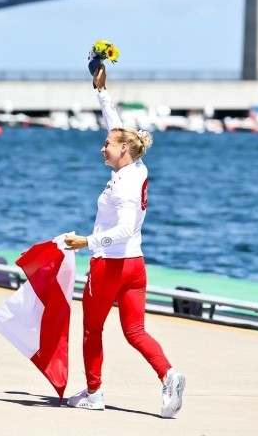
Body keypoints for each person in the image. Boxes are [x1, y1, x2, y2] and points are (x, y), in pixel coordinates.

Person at [63, 65, 185, 418]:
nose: (102, 148)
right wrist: (101, 92)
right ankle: (168, 375)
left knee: (91, 329)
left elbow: (125, 230)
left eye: (107, 146)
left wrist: (86, 242)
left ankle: (95, 392)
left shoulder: (127, 185)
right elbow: (116, 127)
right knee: (134, 331)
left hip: (110, 265)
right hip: (135, 266)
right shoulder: (136, 168)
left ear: (123, 152)